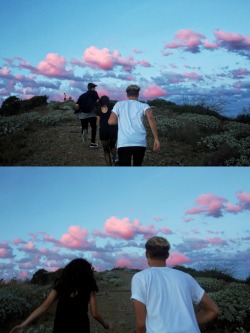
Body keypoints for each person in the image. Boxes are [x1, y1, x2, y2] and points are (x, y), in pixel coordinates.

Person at [131, 236, 219, 333]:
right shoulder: (186, 277)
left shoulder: (140, 278)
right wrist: (189, 323)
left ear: (147, 254)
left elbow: (141, 324)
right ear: (167, 255)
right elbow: (213, 310)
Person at [10, 258, 112, 333]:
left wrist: (23, 325)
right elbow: (94, 313)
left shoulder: (61, 285)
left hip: (60, 328)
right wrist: (106, 325)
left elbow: (44, 306)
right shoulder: (89, 286)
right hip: (81, 328)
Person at [108, 84, 160, 166]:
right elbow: (150, 118)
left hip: (124, 142)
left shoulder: (119, 104)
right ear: (138, 94)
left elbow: (110, 121)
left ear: (127, 95)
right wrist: (156, 139)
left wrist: (122, 121)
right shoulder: (144, 105)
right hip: (140, 142)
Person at [75, 83, 99, 148]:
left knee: (84, 126)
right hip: (92, 114)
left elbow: (77, 105)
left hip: (82, 114)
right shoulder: (94, 93)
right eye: (94, 87)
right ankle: (93, 143)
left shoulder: (82, 95)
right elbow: (98, 101)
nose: (95, 88)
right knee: (93, 128)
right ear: (92, 88)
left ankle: (84, 130)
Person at [96, 96, 118, 166]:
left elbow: (98, 121)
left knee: (106, 150)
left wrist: (99, 126)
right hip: (113, 129)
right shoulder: (112, 106)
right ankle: (115, 159)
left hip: (103, 130)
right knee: (113, 146)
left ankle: (109, 166)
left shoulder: (99, 109)